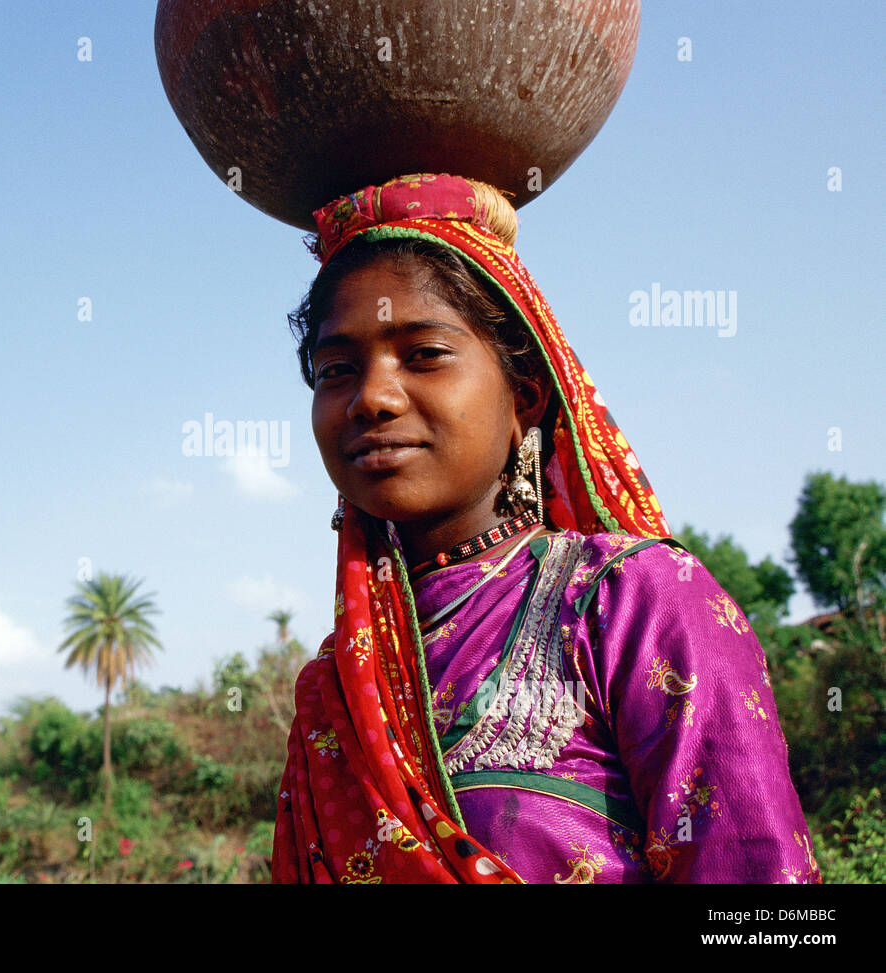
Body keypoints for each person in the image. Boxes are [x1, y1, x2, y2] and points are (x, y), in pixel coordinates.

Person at [270, 172, 821, 884]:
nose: (371, 397)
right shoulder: (335, 687)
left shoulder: (631, 601)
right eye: (335, 368)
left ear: (523, 398)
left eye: (424, 354)